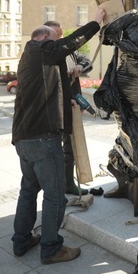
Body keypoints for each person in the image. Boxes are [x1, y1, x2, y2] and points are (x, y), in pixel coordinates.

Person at [11, 8, 105, 264]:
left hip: (24, 139)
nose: (58, 46)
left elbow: (51, 89)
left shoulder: (31, 59)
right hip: (42, 140)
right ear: (43, 39)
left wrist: (69, 105)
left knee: (28, 190)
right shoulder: (41, 48)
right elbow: (67, 44)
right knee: (54, 195)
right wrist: (95, 23)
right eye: (54, 41)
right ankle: (51, 248)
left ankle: (21, 241)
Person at [44, 20, 92, 196]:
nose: (61, 37)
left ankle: (68, 182)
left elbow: (86, 61)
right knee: (63, 147)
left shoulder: (68, 50)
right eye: (58, 34)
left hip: (73, 103)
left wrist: (80, 65)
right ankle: (63, 183)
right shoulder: (49, 53)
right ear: (49, 35)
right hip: (60, 106)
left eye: (62, 34)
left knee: (71, 146)